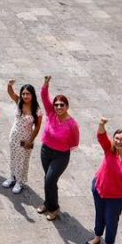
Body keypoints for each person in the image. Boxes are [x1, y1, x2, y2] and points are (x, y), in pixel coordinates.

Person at [37, 75, 80, 221]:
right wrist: (46, 84)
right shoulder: (51, 113)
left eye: (62, 105)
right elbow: (44, 97)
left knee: (50, 179)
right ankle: (47, 203)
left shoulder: (72, 124)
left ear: (67, 106)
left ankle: (54, 209)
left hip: (61, 155)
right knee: (48, 179)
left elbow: (75, 142)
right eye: (57, 104)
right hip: (45, 151)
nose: (59, 107)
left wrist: (61, 146)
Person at [2, 81, 42, 195]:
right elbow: (11, 93)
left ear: (32, 95)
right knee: (13, 156)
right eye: (23, 93)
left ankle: (20, 181)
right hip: (14, 135)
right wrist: (9, 84)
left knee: (22, 159)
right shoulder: (19, 102)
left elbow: (37, 127)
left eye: (28, 94)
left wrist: (30, 140)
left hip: (25, 138)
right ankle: (12, 177)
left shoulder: (37, 110)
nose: (25, 96)